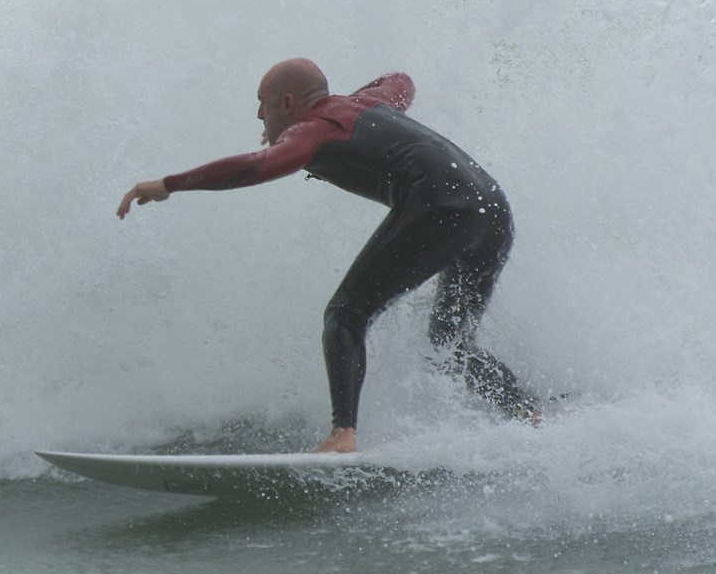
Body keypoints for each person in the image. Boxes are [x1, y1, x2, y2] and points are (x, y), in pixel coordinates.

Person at [117, 58, 538, 453]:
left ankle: (342, 434)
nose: (259, 117)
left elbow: (254, 167)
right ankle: (527, 412)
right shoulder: (363, 105)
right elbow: (400, 80)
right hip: (492, 209)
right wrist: (311, 120)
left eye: (262, 105)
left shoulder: (315, 130)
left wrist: (170, 184)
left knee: (346, 315)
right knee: (449, 343)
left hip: (444, 210)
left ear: (286, 103)